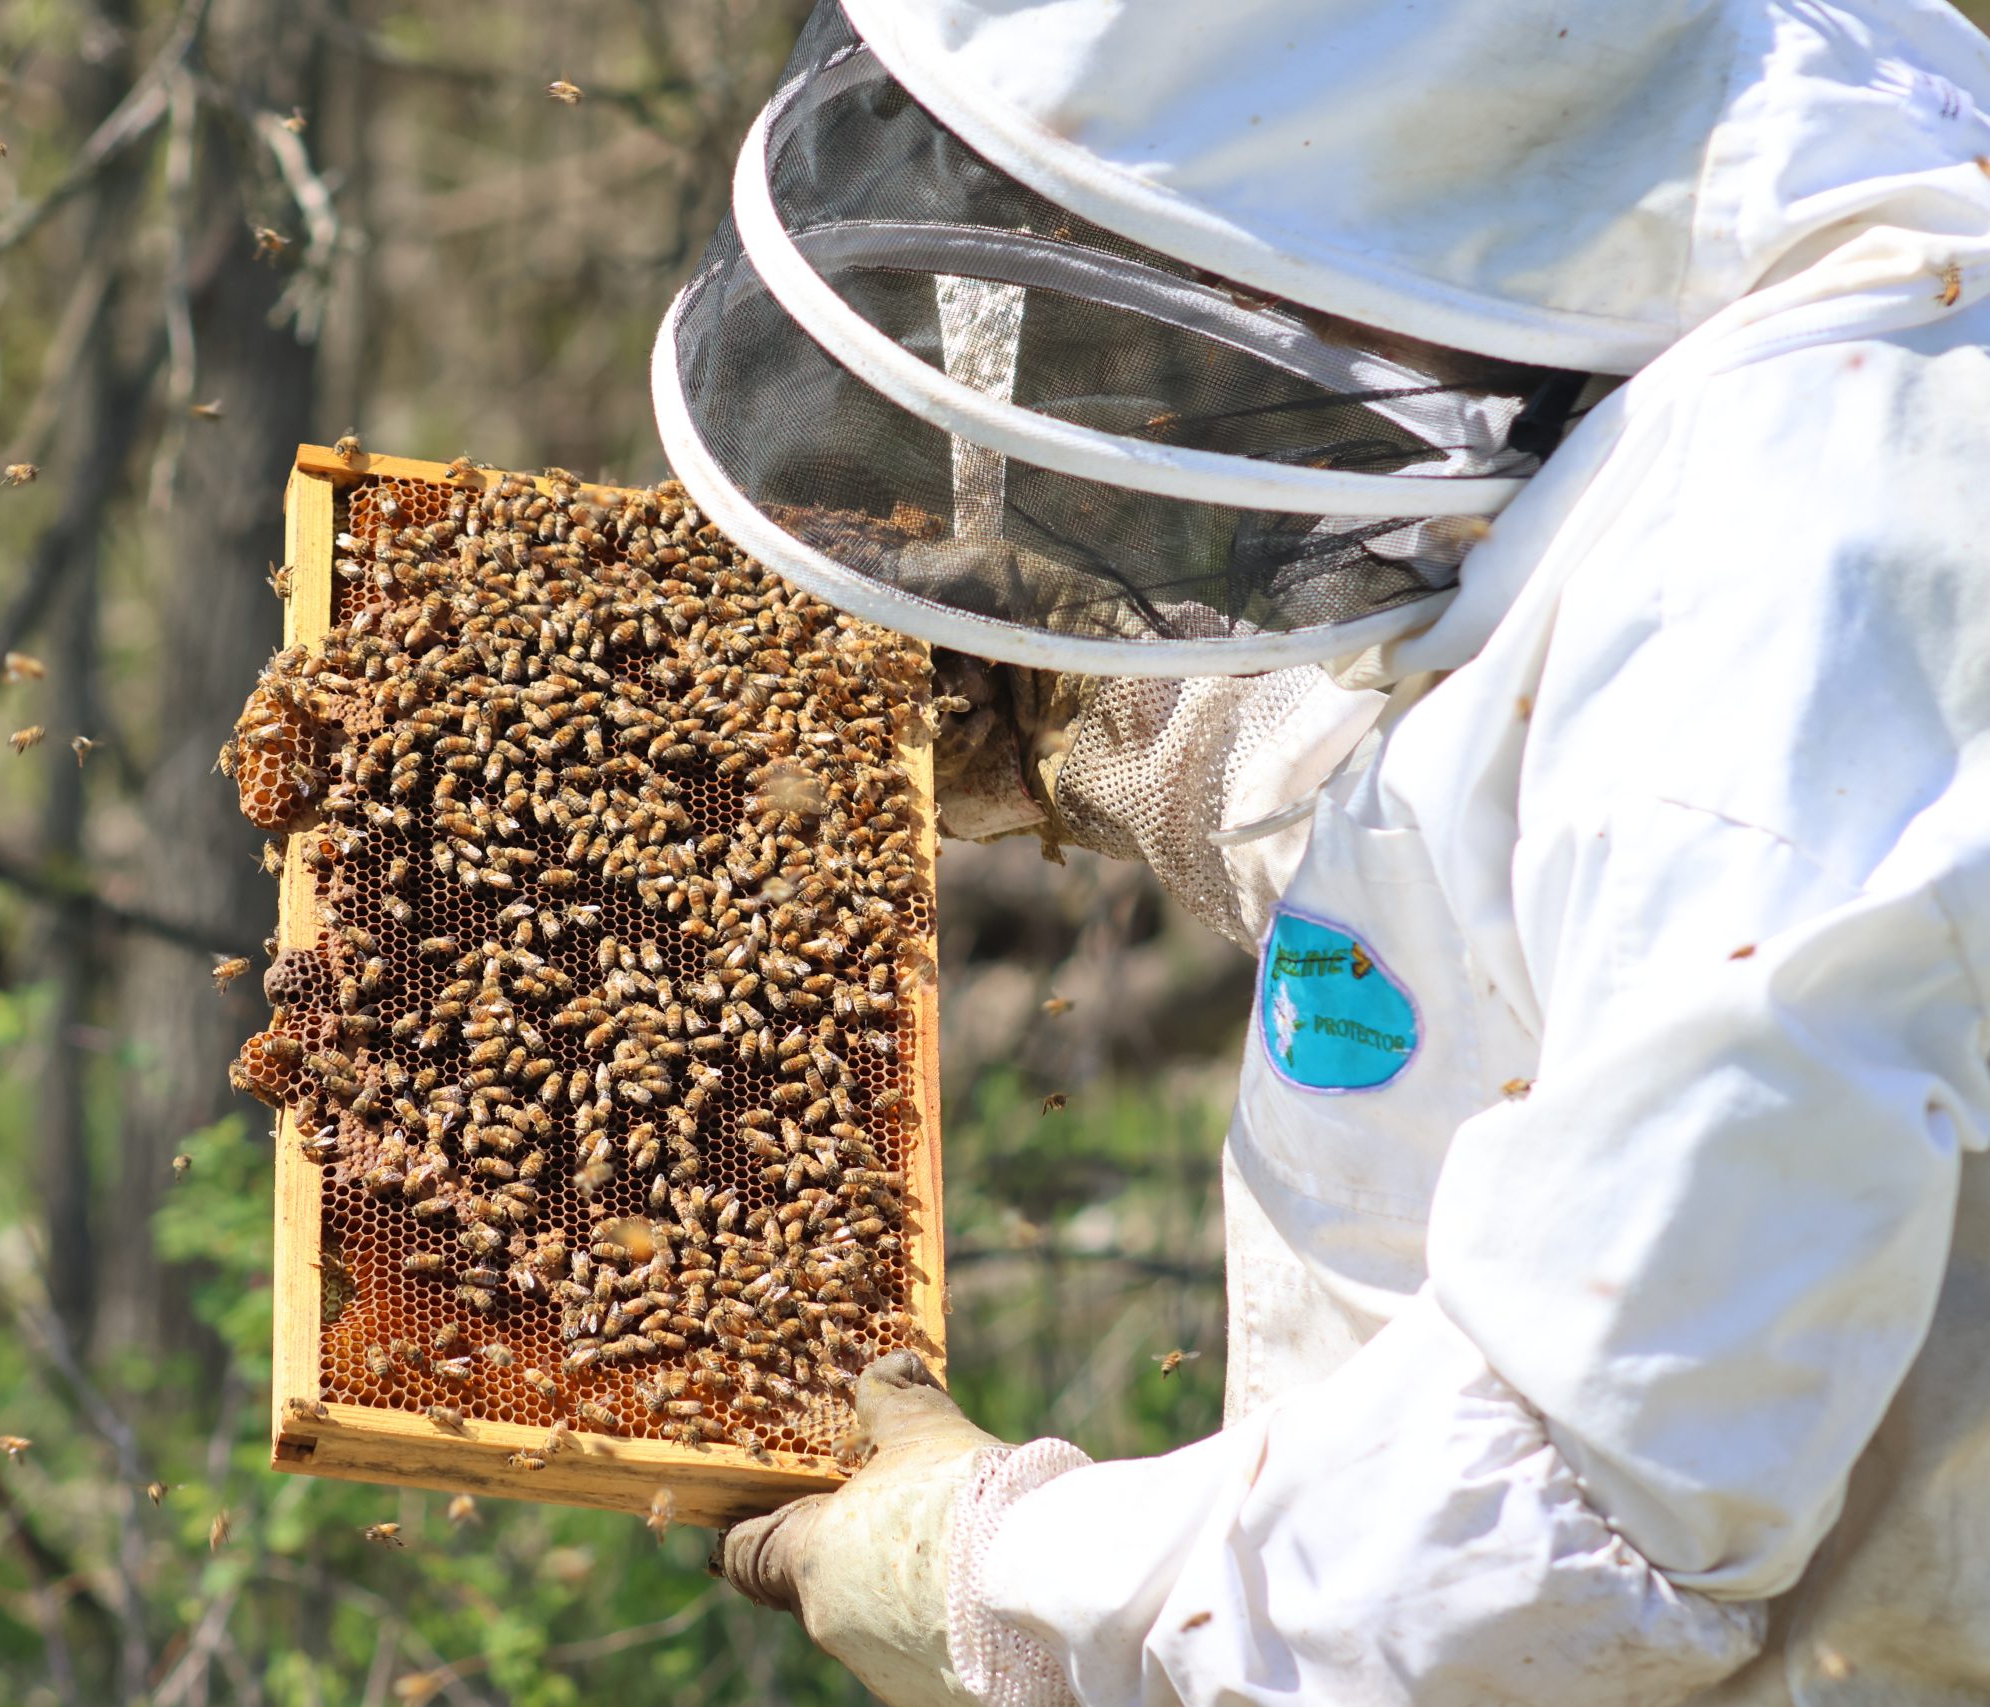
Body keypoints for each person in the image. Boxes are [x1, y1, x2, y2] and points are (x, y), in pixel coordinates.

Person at [646, 1, 1990, 1702]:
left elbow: (1574, 1532)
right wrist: (1196, 749)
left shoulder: (1824, 549)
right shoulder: (1747, 324)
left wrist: (994, 1575)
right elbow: (1561, 866)